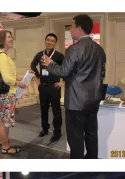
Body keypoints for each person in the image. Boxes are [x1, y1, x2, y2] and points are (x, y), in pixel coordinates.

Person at [42, 15, 106, 159]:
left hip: (76, 102)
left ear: (79, 28)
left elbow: (64, 71)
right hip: (93, 100)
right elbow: (101, 74)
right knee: (91, 134)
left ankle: (77, 169)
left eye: (71, 26)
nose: (70, 30)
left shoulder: (74, 49)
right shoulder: (99, 49)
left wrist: (50, 64)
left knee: (76, 138)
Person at [0, 30, 28, 154]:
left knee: (4, 119)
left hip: (2, 93)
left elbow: (4, 75)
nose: (11, 39)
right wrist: (19, 83)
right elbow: (7, 79)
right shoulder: (2, 56)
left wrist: (16, 77)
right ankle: (6, 147)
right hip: (6, 93)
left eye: (11, 37)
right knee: (6, 122)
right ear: (2, 39)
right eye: (8, 37)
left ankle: (3, 141)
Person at [30, 33, 65, 142]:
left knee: (56, 111)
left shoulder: (59, 56)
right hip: (43, 87)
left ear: (55, 43)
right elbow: (32, 65)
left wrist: (63, 81)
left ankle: (57, 132)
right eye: (48, 40)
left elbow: (66, 69)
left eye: (52, 41)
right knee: (43, 109)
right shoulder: (40, 54)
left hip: (54, 86)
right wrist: (38, 77)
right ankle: (45, 128)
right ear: (45, 41)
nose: (50, 42)